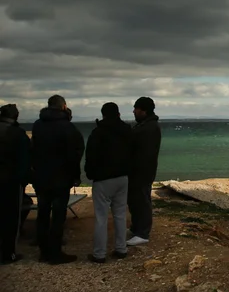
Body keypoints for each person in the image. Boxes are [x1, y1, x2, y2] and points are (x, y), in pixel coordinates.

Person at [31, 95, 84, 264]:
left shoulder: (38, 125)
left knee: (43, 214)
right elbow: (74, 155)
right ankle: (55, 253)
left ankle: (43, 252)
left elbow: (32, 150)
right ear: (63, 107)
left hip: (41, 178)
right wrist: (76, 176)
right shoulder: (67, 127)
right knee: (58, 215)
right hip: (61, 178)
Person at [85, 102, 132, 263]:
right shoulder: (127, 130)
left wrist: (90, 174)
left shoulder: (97, 133)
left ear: (103, 114)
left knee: (101, 217)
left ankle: (99, 254)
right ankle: (121, 249)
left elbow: (90, 156)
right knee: (120, 214)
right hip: (123, 177)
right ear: (118, 114)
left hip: (103, 179)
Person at [127, 97, 161, 246]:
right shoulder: (144, 126)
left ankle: (143, 233)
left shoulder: (148, 128)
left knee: (142, 201)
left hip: (142, 171)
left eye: (136, 108)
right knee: (135, 200)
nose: (134, 111)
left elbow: (143, 152)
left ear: (144, 110)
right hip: (139, 170)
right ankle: (137, 228)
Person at [0, 104, 31, 264]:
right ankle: (8, 253)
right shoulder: (17, 134)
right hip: (10, 181)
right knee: (11, 217)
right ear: (16, 116)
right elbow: (24, 159)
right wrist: (24, 179)